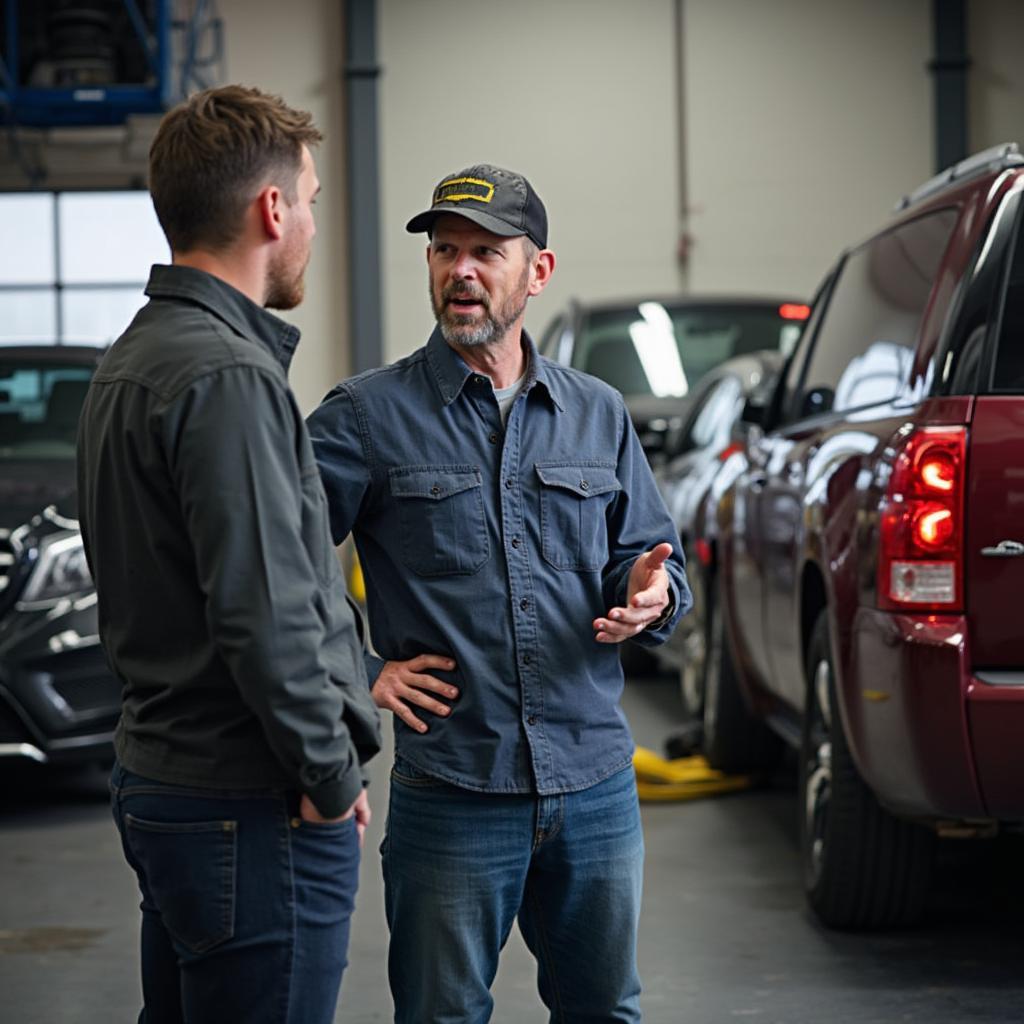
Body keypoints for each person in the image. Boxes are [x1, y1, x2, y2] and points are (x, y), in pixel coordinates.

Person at [307, 163, 691, 1023]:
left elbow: (658, 558)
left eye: (486, 251)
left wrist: (654, 593)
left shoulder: (597, 413)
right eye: (446, 251)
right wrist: (359, 666)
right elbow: (275, 562)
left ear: (538, 271)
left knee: (605, 1012)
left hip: (594, 782)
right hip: (454, 789)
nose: (462, 270)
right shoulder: (367, 416)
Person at [76, 85, 381, 1024]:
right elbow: (264, 613)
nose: (316, 223)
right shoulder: (226, 375)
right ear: (272, 207)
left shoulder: (135, 356)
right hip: (249, 805)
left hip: (167, 781)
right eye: (315, 198)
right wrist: (330, 776)